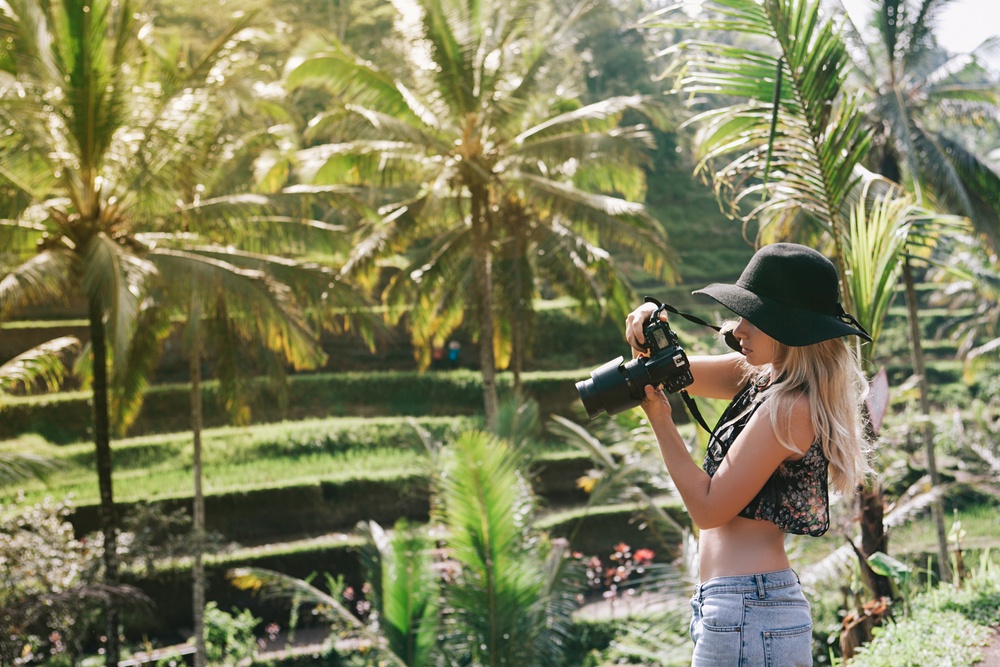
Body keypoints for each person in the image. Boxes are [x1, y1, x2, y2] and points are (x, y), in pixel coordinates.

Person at [624, 243, 872, 666]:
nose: (738, 330)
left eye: (752, 318)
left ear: (790, 327)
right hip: (736, 608)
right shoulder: (762, 380)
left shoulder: (790, 407)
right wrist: (646, 323)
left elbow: (708, 508)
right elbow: (663, 372)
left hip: (748, 608)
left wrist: (661, 422)